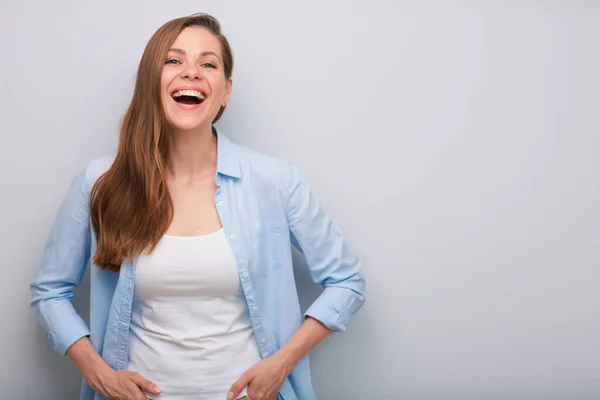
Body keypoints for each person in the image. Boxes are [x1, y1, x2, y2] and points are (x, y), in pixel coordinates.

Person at [30, 13, 365, 400]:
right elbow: (50, 291)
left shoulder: (275, 180)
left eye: (208, 64)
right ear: (149, 82)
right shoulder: (100, 181)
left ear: (226, 91)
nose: (191, 73)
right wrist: (99, 374)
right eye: (173, 61)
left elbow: (347, 282)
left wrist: (282, 363)